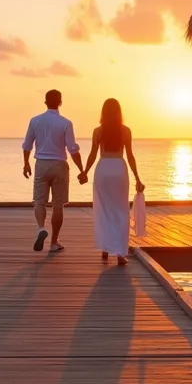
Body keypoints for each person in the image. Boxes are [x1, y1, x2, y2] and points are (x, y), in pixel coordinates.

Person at [78, 98, 144, 266]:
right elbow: (130, 156)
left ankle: (106, 249)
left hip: (103, 170)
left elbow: (93, 154)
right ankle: (121, 253)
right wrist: (137, 177)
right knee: (121, 211)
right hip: (119, 170)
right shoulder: (126, 131)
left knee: (105, 211)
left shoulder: (98, 131)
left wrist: (85, 172)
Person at [22, 89, 84, 252]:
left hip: (41, 164)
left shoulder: (35, 121)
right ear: (60, 103)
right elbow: (72, 149)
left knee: (39, 201)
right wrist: (82, 170)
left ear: (45, 102)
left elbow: (27, 145)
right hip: (59, 165)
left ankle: (41, 228)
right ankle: (54, 242)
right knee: (58, 204)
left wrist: (26, 163)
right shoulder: (65, 123)